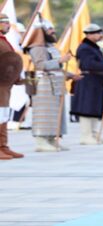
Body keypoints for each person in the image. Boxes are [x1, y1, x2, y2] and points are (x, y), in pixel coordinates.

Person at [24, 19, 72, 152]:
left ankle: (52, 139)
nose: (53, 31)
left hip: (55, 83)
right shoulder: (37, 47)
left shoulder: (50, 46)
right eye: (49, 29)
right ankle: (41, 141)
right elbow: (40, 65)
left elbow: (56, 66)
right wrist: (61, 60)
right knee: (45, 113)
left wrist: (71, 75)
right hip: (43, 84)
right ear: (41, 31)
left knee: (55, 113)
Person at [70, 24, 103, 145]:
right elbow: (90, 64)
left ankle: (93, 134)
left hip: (96, 81)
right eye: (97, 33)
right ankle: (86, 136)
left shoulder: (93, 47)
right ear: (88, 34)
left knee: (94, 108)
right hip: (88, 81)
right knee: (87, 109)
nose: (100, 35)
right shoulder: (84, 48)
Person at [0, 13, 24, 160]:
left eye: (8, 22)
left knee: (3, 115)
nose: (7, 25)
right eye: (4, 22)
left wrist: (15, 75)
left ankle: (3, 146)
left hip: (5, 85)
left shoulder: (4, 40)